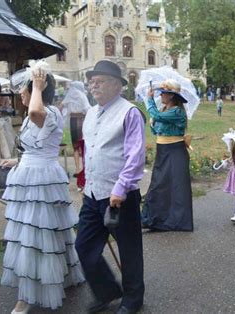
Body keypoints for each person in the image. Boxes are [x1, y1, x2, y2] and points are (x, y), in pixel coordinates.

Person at [0, 61, 85, 313]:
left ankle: (26, 297)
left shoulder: (50, 112)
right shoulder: (30, 118)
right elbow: (36, 147)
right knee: (38, 231)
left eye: (25, 90)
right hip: (30, 175)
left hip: (42, 180)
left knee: (38, 233)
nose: (21, 95)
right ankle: (59, 277)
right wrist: (16, 160)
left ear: (38, 89)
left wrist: (36, 85)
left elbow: (36, 113)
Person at [75, 60, 146, 314]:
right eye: (92, 80)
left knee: (129, 250)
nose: (94, 84)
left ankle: (133, 299)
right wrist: (85, 178)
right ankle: (107, 291)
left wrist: (121, 187)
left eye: (101, 80)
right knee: (83, 246)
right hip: (93, 193)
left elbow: (135, 156)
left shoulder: (130, 112)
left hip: (119, 195)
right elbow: (91, 149)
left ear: (117, 85)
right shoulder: (91, 113)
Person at [141, 79, 194, 232]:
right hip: (163, 151)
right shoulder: (164, 110)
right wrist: (152, 124)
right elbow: (158, 129)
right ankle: (153, 219)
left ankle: (176, 221)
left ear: (171, 95)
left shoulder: (177, 111)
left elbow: (157, 117)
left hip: (175, 151)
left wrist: (149, 99)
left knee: (177, 187)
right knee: (159, 185)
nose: (161, 95)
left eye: (163, 93)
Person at [60, 81, 91, 177]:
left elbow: (61, 106)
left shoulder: (69, 95)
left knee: (76, 146)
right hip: (81, 120)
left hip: (73, 121)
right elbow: (88, 109)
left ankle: (77, 169)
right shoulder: (82, 96)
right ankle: (84, 169)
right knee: (83, 144)